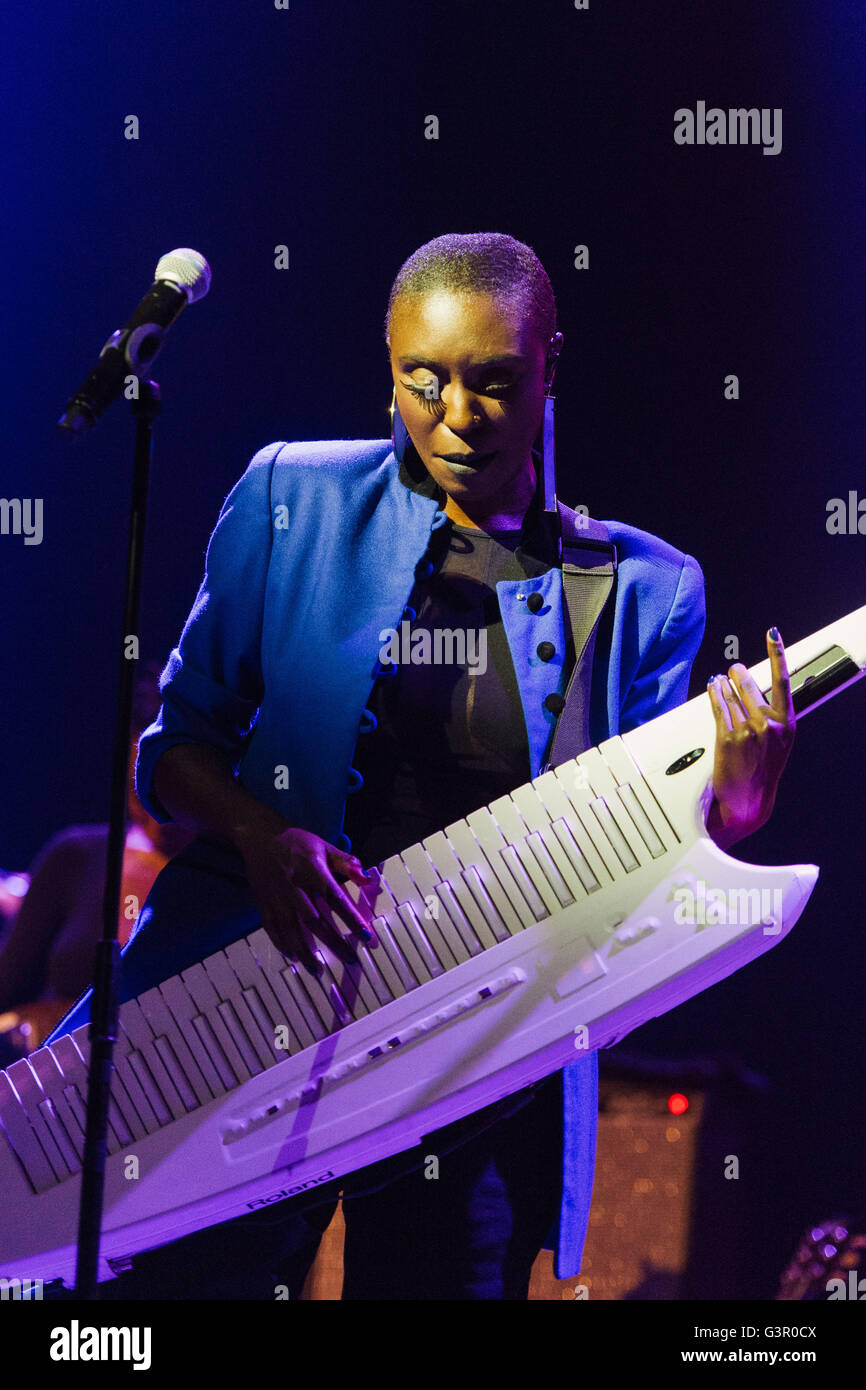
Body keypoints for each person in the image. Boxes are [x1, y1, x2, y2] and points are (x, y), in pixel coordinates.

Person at [44, 232, 795, 1300]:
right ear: (387, 360)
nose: (454, 415)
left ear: (549, 368)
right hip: (246, 1022)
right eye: (422, 380)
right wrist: (265, 838)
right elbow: (173, 756)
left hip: (476, 1059)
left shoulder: (641, 587)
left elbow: (636, 879)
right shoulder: (286, 499)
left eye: (492, 383)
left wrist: (729, 815)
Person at [0, 666, 191, 1059]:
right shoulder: (78, 855)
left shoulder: (234, 869)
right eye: (140, 784)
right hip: (59, 1087)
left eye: (171, 786)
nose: (154, 806)